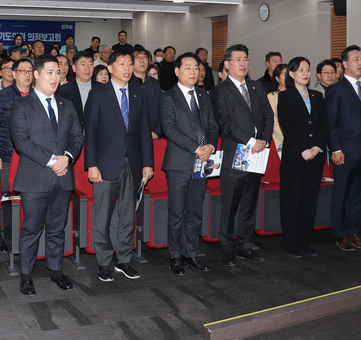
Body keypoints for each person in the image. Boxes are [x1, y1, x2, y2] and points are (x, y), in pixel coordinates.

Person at [9, 55, 84, 296]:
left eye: (58, 72)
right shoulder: (22, 105)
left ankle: (56, 270)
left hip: (63, 177)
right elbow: (21, 141)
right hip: (35, 178)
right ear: (36, 75)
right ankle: (26, 275)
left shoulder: (67, 104)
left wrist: (67, 158)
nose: (55, 77)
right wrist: (54, 161)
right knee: (31, 229)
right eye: (50, 72)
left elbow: (77, 136)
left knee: (57, 228)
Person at [84, 50, 154, 282]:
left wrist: (148, 163)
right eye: (122, 63)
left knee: (128, 216)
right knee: (103, 216)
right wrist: (91, 165)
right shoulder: (98, 94)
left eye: (130, 63)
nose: (127, 68)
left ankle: (124, 260)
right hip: (105, 165)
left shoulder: (138, 93)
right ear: (110, 68)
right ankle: (104, 262)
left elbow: (144, 132)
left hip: (133, 164)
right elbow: (90, 133)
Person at [210, 44, 273, 266]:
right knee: (230, 205)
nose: (243, 63)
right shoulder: (220, 90)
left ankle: (245, 245)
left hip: (257, 154)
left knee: (249, 203)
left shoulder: (256, 87)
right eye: (237, 59)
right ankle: (227, 248)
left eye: (245, 59)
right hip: (235, 155)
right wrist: (251, 142)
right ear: (227, 64)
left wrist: (263, 141)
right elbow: (225, 123)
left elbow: (268, 116)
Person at [160, 52, 218, 275]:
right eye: (188, 67)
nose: (193, 72)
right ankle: (175, 256)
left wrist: (210, 145)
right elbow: (169, 129)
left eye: (196, 67)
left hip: (203, 163)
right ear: (177, 71)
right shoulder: (168, 97)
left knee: (195, 212)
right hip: (179, 163)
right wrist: (196, 148)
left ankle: (191, 253)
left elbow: (212, 125)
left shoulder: (204, 95)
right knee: (177, 213)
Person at [325, 45, 361, 252]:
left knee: (360, 193)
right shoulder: (336, 89)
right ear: (345, 64)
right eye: (356, 59)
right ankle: (340, 233)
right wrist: (336, 149)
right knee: (342, 193)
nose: (360, 63)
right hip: (346, 151)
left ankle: (354, 231)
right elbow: (331, 123)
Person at [277, 57, 329, 258]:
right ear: (291, 74)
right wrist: (302, 149)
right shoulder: (285, 96)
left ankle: (305, 243)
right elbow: (287, 127)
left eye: (307, 70)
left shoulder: (317, 96)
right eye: (300, 70)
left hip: (315, 156)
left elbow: (324, 125)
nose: (305, 73)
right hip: (294, 158)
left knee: (309, 201)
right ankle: (290, 244)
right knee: (291, 201)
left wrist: (318, 146)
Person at [0, 58, 32, 193]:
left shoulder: (38, 96)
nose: (27, 74)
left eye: (30, 71)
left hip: (33, 157)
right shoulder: (2, 97)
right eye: (23, 71)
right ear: (14, 74)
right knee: (10, 195)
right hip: (8, 155)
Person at [57, 50, 93, 131]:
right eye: (83, 64)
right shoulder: (64, 90)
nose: (87, 68)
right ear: (74, 68)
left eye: (90, 64)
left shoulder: (101, 88)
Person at [131, 45, 162, 138]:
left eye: (144, 57)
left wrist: (157, 132)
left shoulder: (155, 83)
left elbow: (162, 109)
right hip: (132, 136)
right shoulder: (126, 84)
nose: (142, 60)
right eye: (138, 57)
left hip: (153, 135)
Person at [266, 63, 288, 154]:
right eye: (284, 74)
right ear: (277, 78)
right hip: (281, 141)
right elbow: (274, 122)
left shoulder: (298, 95)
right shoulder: (272, 97)